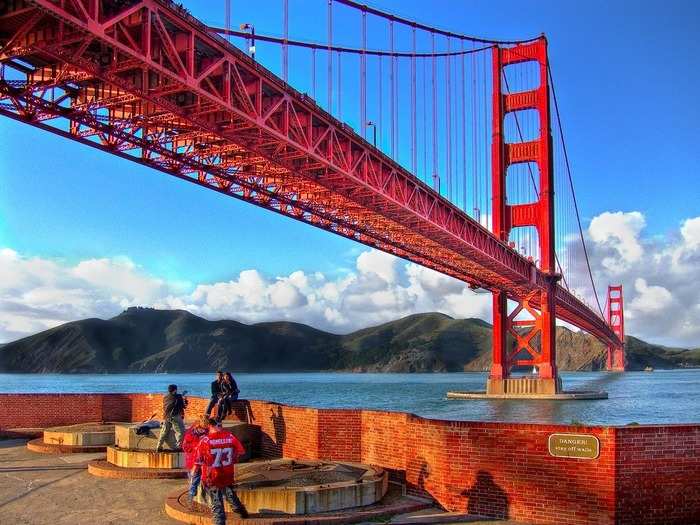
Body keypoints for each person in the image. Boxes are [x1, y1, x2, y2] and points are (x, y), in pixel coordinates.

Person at [197, 418, 249, 523]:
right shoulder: (230, 437)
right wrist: (233, 457)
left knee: (217, 505)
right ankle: (240, 511)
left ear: (210, 426)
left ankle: (220, 521)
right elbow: (241, 451)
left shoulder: (205, 440)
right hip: (227, 473)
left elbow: (199, 459)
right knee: (230, 493)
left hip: (212, 476)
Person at [182, 414, 209, 506]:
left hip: (203, 460)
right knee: (194, 479)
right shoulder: (191, 433)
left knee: (197, 479)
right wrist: (196, 447)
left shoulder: (207, 432)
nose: (206, 427)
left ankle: (193, 495)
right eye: (205, 425)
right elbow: (185, 446)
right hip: (193, 460)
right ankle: (190, 498)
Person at [155, 384, 186, 452]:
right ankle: (178, 447)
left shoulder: (165, 397)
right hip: (175, 416)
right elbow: (183, 406)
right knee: (181, 431)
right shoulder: (178, 397)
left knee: (164, 432)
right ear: (175, 390)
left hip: (166, 416)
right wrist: (184, 400)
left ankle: (159, 446)